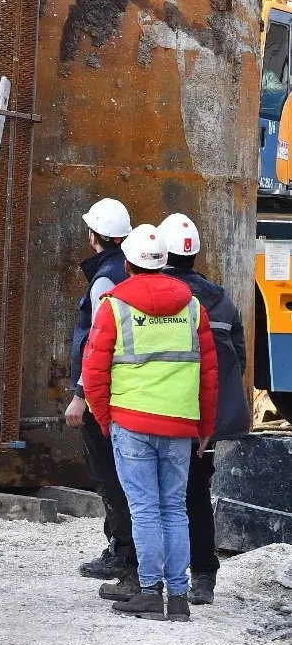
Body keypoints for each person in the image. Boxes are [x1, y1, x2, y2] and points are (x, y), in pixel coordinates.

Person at [81, 223, 218, 621]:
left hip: (132, 422)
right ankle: (178, 598)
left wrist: (105, 419)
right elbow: (209, 374)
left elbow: (93, 372)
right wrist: (204, 425)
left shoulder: (113, 304)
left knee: (143, 510)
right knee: (175, 508)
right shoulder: (193, 307)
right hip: (179, 424)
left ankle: (148, 591)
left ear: (127, 265)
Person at [157, 212, 250, 606]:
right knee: (196, 493)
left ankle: (148, 576)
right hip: (208, 421)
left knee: (155, 497)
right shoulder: (222, 300)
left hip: (165, 413)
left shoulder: (159, 299)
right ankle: (203, 575)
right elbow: (238, 362)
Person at [63, 197, 135, 583]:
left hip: (100, 392)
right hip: (124, 390)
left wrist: (80, 394)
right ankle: (130, 550)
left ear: (94, 236)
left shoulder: (106, 278)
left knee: (108, 473)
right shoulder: (128, 270)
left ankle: (122, 552)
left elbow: (95, 342)